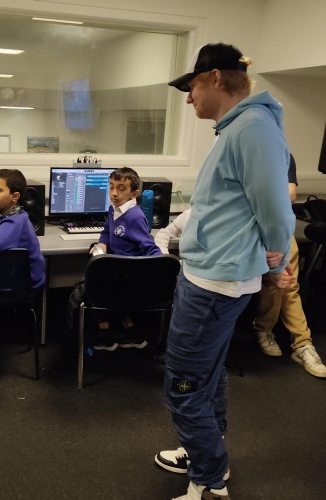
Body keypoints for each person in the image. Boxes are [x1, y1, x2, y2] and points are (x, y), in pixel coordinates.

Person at [157, 43, 296, 500]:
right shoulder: (237, 128)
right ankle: (205, 452)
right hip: (209, 275)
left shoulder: (253, 129)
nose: (188, 98)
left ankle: (209, 482)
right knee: (208, 373)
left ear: (215, 78)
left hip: (214, 284)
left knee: (183, 384)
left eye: (192, 87)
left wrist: (277, 263)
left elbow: (277, 209)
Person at [67, 167, 161, 352]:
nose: (114, 193)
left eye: (121, 188)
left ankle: (105, 335)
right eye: (111, 187)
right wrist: (102, 244)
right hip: (117, 273)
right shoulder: (114, 209)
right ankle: (131, 331)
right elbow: (107, 231)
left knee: (91, 289)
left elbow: (150, 247)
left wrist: (161, 267)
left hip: (127, 278)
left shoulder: (134, 217)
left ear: (134, 194)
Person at [253, 154, 326, 377]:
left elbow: (291, 195)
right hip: (250, 223)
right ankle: (263, 328)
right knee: (273, 282)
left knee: (288, 282)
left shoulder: (283, 155)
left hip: (279, 224)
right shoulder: (247, 151)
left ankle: (302, 344)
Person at [0, 169, 45, 291]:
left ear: (15, 196)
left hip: (22, 286)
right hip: (14, 278)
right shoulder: (14, 215)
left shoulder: (15, 221)